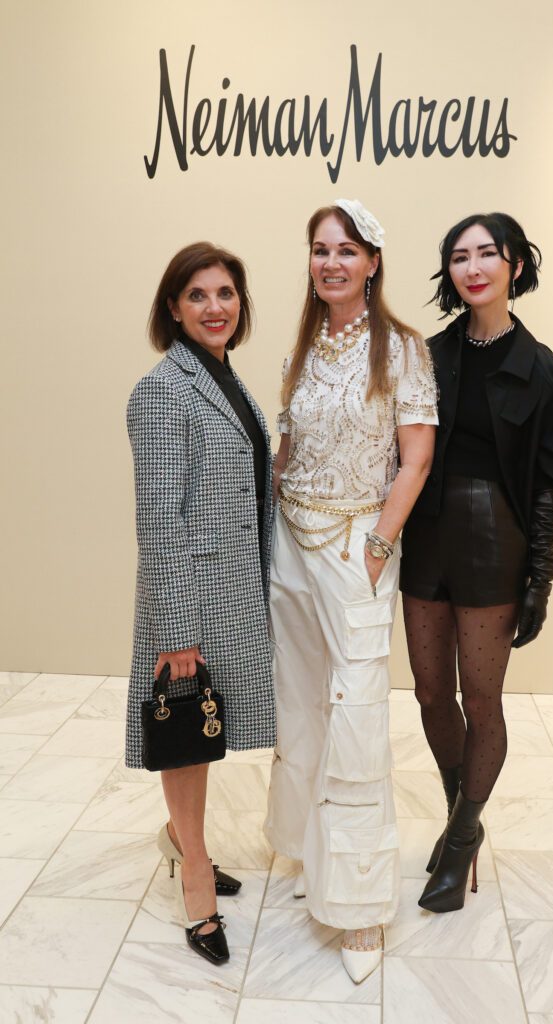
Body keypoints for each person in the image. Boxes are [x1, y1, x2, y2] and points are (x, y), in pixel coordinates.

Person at [400, 212, 553, 913]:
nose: (472, 268)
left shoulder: (540, 370)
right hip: (425, 537)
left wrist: (539, 581)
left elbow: (552, 485)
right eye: (458, 257)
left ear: (515, 265)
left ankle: (461, 836)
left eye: (486, 254)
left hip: (495, 542)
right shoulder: (428, 355)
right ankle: (460, 808)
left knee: (480, 699)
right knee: (431, 695)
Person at [263, 199, 437, 983]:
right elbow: (287, 445)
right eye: (318, 250)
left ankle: (361, 908)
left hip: (355, 547)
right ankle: (306, 853)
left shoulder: (400, 349)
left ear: (372, 262)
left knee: (358, 712)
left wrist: (377, 544)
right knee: (298, 702)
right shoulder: (302, 347)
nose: (330, 262)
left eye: (346, 250)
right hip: (289, 546)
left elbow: (415, 461)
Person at [126, 242, 275, 964]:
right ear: (172, 309)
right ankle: (193, 879)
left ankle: (185, 843)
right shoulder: (161, 391)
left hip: (233, 592)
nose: (215, 307)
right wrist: (176, 631)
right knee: (186, 738)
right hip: (191, 600)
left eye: (225, 293)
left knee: (206, 732)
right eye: (198, 296)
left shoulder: (224, 380)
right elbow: (160, 522)